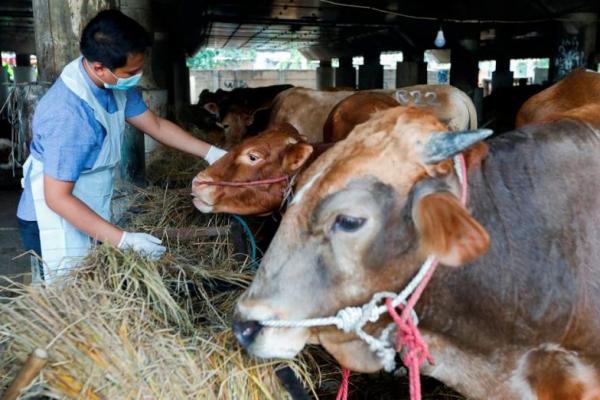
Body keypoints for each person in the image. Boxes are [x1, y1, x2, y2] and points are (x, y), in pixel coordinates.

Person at [16, 10, 226, 282]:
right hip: (52, 220)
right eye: (132, 72)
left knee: (94, 281)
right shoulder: (68, 114)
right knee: (69, 292)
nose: (137, 77)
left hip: (87, 203)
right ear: (99, 67)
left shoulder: (113, 83)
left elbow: (157, 126)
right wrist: (123, 239)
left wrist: (212, 153)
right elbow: (57, 198)